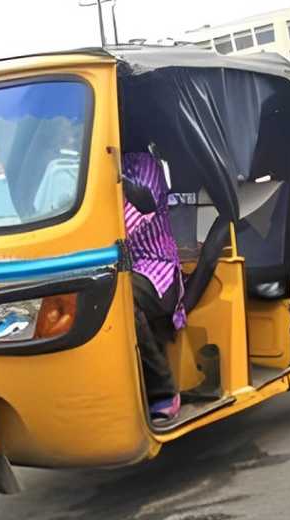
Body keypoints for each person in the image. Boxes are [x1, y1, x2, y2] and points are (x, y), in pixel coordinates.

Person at [121, 150, 185, 424]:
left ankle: (163, 390)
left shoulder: (142, 166)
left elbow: (129, 222)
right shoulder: (83, 167)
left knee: (120, 297)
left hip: (154, 268)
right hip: (114, 267)